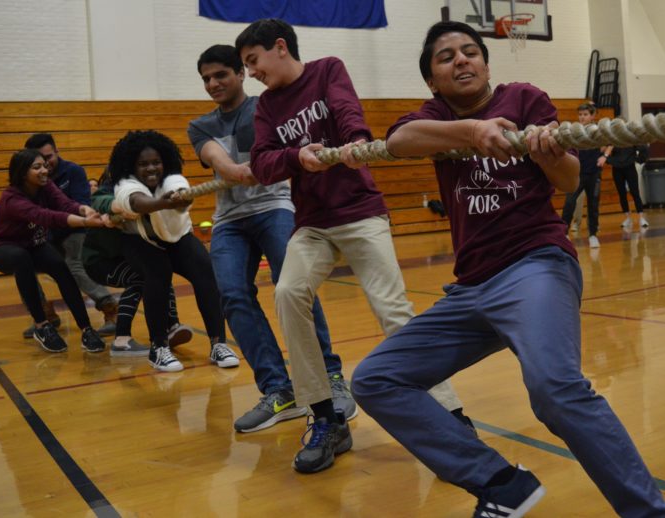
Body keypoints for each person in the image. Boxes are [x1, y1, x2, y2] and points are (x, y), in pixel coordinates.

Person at [351, 21, 665, 517]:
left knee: (555, 391)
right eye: (446, 57)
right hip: (470, 289)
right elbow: (399, 139)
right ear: (432, 81)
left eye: (470, 52)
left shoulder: (524, 99)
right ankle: (500, 484)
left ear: (486, 64)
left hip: (534, 265)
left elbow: (569, 178)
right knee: (376, 379)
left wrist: (546, 154)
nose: (461, 60)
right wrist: (472, 131)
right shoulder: (435, 117)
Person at [235, 18, 468, 474]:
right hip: (314, 224)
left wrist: (356, 144)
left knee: (393, 310)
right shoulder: (265, 108)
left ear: (279, 47)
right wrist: (294, 157)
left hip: (360, 212)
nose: (251, 73)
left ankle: (452, 418)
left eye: (252, 61)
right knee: (287, 292)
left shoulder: (327, 70)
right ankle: (325, 418)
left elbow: (347, 112)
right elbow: (262, 163)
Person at [188, 44, 352, 433]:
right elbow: (222, 164)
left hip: (275, 207)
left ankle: (329, 377)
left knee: (294, 289)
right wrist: (240, 169)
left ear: (240, 73)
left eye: (221, 75)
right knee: (231, 294)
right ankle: (280, 390)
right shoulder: (200, 126)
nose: (213, 84)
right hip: (228, 219)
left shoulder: (268, 107)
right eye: (206, 79)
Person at [109, 130, 239, 373]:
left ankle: (218, 343)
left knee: (205, 271)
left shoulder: (172, 178)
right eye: (143, 164)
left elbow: (181, 194)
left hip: (177, 237)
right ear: (131, 166)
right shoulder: (125, 184)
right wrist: (164, 203)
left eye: (156, 162)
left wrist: (179, 200)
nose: (151, 169)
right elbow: (137, 202)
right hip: (141, 241)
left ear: (164, 161)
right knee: (158, 274)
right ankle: (158, 348)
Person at [0, 149, 107, 354]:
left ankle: (87, 328)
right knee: (21, 259)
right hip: (2, 248)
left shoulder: (45, 185)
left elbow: (64, 204)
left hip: (34, 244)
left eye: (44, 166)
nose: (44, 170)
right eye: (36, 167)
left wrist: (85, 209)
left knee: (61, 266)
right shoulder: (12, 199)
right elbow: (47, 216)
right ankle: (41, 325)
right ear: (23, 173)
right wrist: (86, 222)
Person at [82, 170, 194, 356]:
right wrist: (117, 208)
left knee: (160, 271)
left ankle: (172, 325)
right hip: (99, 261)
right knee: (140, 278)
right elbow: (100, 201)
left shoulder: (142, 193)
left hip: (122, 258)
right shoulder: (109, 193)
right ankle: (121, 339)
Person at [24, 134, 118, 337]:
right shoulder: (30, 179)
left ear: (57, 151)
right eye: (39, 161)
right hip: (47, 233)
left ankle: (111, 310)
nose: (45, 164)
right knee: (22, 265)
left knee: (74, 265)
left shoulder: (73, 171)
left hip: (75, 229)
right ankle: (44, 315)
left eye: (49, 157)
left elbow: (80, 203)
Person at [561, 103, 606, 248]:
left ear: (592, 116)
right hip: (578, 174)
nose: (582, 117)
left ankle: (593, 235)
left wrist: (604, 155)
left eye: (585, 114)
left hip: (594, 173)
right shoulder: (575, 131)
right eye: (580, 114)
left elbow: (611, 141)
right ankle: (564, 233)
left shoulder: (598, 130)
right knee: (569, 202)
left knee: (593, 205)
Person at [606, 145, 649, 229]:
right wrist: (609, 160)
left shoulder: (629, 138)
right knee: (621, 193)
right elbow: (604, 149)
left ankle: (641, 217)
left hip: (629, 167)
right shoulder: (614, 138)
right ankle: (627, 217)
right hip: (617, 167)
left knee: (635, 192)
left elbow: (643, 147)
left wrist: (638, 158)